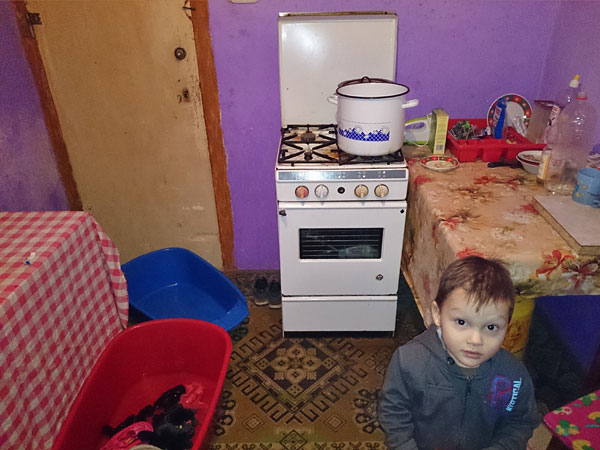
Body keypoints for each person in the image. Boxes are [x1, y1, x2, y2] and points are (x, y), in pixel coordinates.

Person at [378, 256, 539, 450]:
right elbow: (393, 411)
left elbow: (520, 421)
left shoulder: (513, 374)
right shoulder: (409, 361)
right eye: (461, 322)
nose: (476, 340)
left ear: (507, 325)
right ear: (437, 314)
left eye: (491, 327)